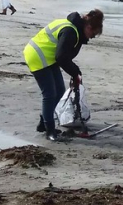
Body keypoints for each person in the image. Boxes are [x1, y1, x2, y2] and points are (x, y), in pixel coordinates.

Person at [23, 9, 104, 141]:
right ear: (89, 27)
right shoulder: (70, 31)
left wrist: (76, 73)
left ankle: (43, 123)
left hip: (49, 58)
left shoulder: (75, 28)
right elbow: (61, 57)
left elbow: (64, 57)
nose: (91, 38)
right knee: (49, 94)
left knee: (60, 90)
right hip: (37, 56)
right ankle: (50, 131)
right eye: (93, 34)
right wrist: (74, 73)